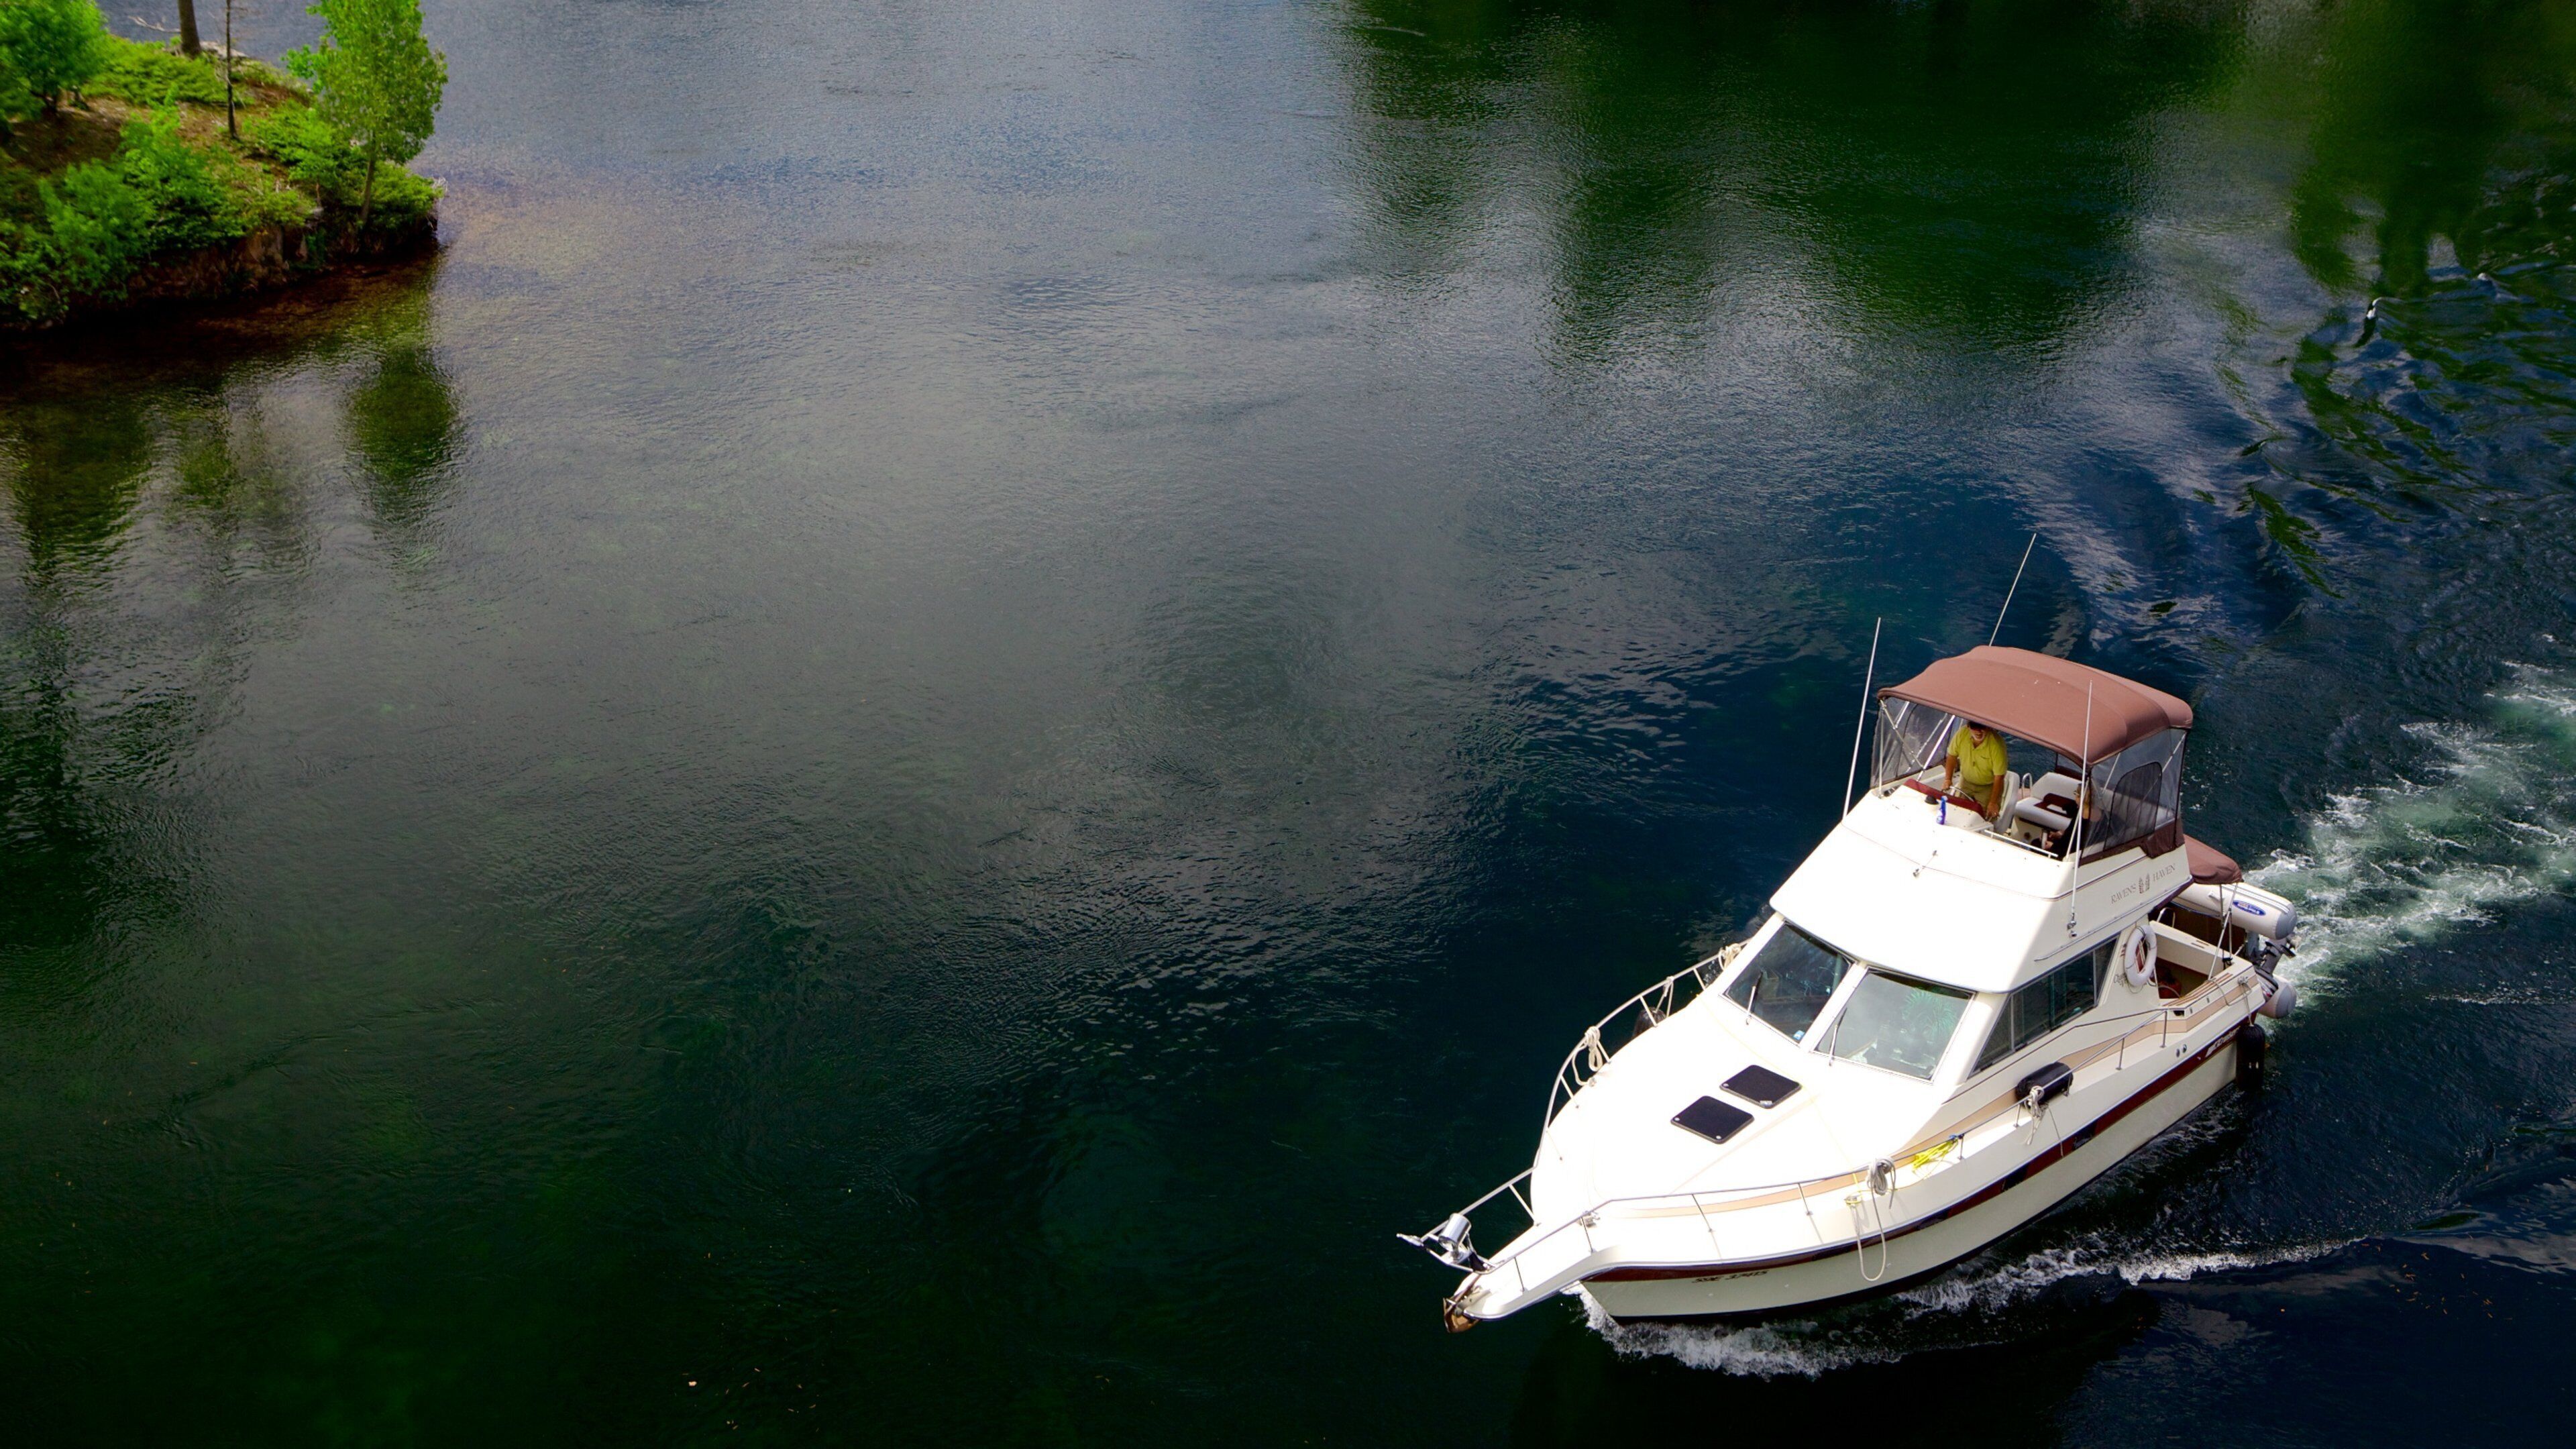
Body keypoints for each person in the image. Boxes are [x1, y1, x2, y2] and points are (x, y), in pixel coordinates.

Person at [1942, 720, 2008, 818]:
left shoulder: (1997, 745)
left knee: (1984, 818)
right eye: (1974, 727)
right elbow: (1952, 756)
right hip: (1966, 782)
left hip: (1987, 788)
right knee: (1956, 812)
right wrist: (1948, 779)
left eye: (1982, 727)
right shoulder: (1961, 734)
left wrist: (1993, 803)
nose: (1979, 731)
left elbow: (1999, 777)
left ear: (1989, 728)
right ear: (1968, 726)